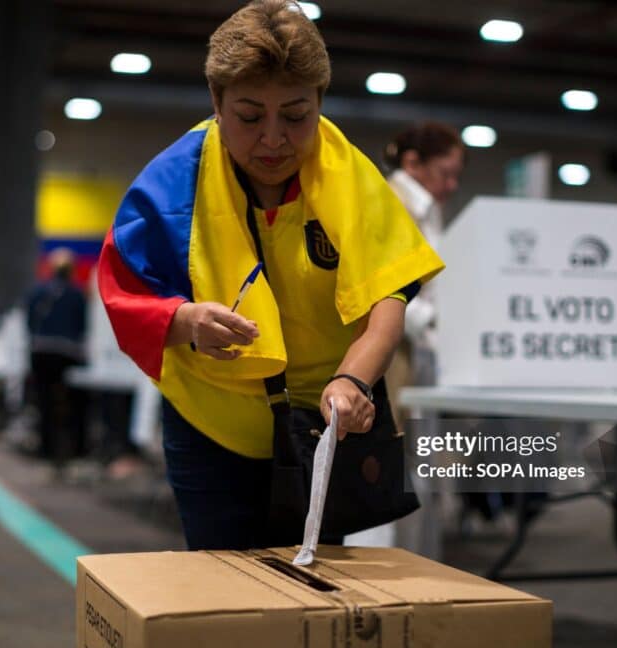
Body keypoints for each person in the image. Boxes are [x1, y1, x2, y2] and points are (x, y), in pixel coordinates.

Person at [98, 0, 443, 551]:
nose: (275, 139)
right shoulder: (170, 182)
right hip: (211, 426)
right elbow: (125, 291)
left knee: (313, 595)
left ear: (320, 102)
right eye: (251, 116)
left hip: (323, 427)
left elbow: (388, 297)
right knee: (221, 590)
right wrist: (185, 320)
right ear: (217, 102)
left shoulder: (349, 175)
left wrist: (353, 381)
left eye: (297, 115)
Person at [382, 122, 464, 422]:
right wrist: (433, 323)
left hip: (412, 340)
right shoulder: (389, 202)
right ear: (412, 163)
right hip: (390, 341)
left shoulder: (427, 209)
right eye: (446, 173)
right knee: (390, 428)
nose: (452, 185)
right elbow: (387, 283)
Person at [26, 248, 88, 474]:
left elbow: (30, 320)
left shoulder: (39, 291)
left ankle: (46, 448)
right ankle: (75, 449)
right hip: (68, 354)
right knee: (74, 403)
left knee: (44, 402)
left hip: (41, 351)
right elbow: (82, 325)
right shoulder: (77, 293)